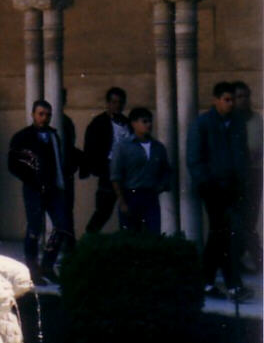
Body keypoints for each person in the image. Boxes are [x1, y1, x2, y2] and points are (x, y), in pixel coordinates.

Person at [187, 81, 252, 301]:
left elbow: (242, 155)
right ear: (215, 100)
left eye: (232, 99)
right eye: (226, 99)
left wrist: (243, 182)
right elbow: (194, 159)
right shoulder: (202, 124)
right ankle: (230, 284)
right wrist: (207, 184)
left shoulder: (237, 123)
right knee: (224, 234)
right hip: (213, 189)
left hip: (233, 189)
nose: (231, 103)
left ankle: (209, 283)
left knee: (224, 235)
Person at [8, 99, 74, 284]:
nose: (44, 118)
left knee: (61, 226)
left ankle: (47, 265)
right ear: (33, 114)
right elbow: (13, 165)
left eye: (47, 115)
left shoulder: (53, 135)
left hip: (54, 189)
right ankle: (32, 268)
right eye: (41, 114)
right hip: (34, 190)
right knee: (35, 228)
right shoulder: (23, 137)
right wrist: (32, 180)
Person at [110, 106, 172, 235]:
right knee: (131, 236)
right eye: (144, 121)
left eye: (150, 121)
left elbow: (166, 170)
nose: (149, 125)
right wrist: (122, 201)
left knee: (153, 233)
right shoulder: (123, 147)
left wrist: (161, 186)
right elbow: (116, 175)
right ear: (133, 123)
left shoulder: (158, 147)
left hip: (150, 195)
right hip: (130, 194)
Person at [81, 87, 130, 234]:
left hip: (126, 171)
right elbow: (90, 148)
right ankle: (90, 241)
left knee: (128, 209)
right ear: (108, 103)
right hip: (107, 171)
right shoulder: (98, 123)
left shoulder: (126, 123)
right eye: (114, 102)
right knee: (103, 211)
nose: (117, 106)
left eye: (120, 102)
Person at [233, 80, 262, 273]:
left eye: (246, 96)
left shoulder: (257, 119)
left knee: (250, 218)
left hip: (255, 173)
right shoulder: (231, 122)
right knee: (239, 220)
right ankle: (252, 257)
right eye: (239, 97)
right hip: (236, 176)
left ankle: (252, 257)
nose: (244, 101)